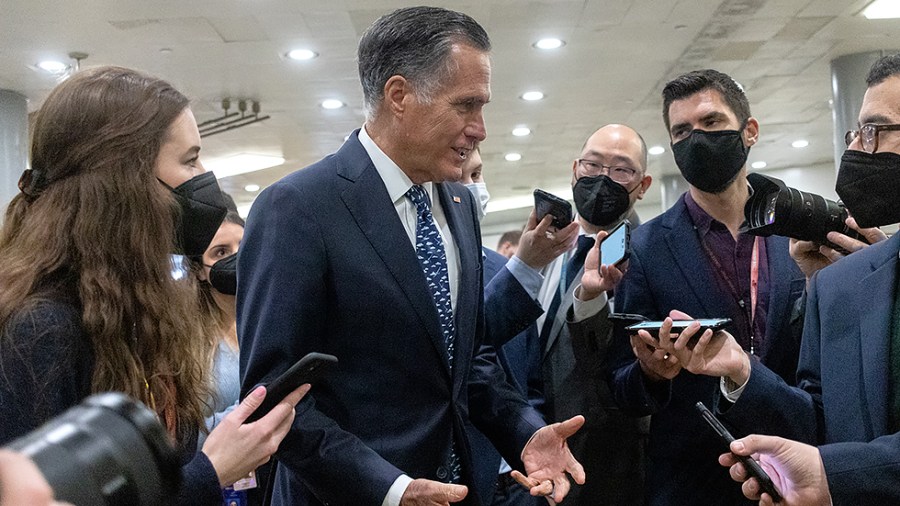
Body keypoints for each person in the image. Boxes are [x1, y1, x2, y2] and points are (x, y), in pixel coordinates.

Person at [238, 7, 584, 506]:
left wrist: (524, 431)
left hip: (461, 488)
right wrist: (391, 490)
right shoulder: (297, 208)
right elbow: (276, 399)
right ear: (398, 95)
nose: (481, 128)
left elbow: (467, 361)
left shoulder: (458, 203)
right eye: (466, 106)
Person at [0, 66, 306, 506]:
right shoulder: (42, 329)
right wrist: (212, 470)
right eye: (189, 159)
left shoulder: (130, 311)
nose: (204, 175)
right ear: (127, 181)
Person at [657, 53, 900, 506]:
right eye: (856, 132)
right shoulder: (837, 285)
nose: (856, 150)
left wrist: (834, 475)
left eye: (875, 131)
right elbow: (817, 421)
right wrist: (742, 371)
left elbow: (833, 462)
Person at [607, 69, 807, 505]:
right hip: (692, 481)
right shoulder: (644, 248)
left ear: (748, 131)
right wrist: (651, 374)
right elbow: (620, 384)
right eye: (681, 131)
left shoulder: (797, 232)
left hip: (799, 465)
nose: (695, 138)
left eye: (711, 123)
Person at [536, 124, 653, 505]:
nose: (603, 180)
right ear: (575, 169)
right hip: (532, 456)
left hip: (614, 467)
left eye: (621, 170)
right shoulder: (544, 253)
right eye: (593, 165)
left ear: (643, 184)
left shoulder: (650, 257)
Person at [460, 146, 576, 506]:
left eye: (476, 176)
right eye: (459, 178)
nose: (470, 187)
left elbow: (528, 376)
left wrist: (533, 430)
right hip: (460, 478)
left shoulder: (505, 271)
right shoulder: (422, 273)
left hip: (520, 479)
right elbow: (466, 359)